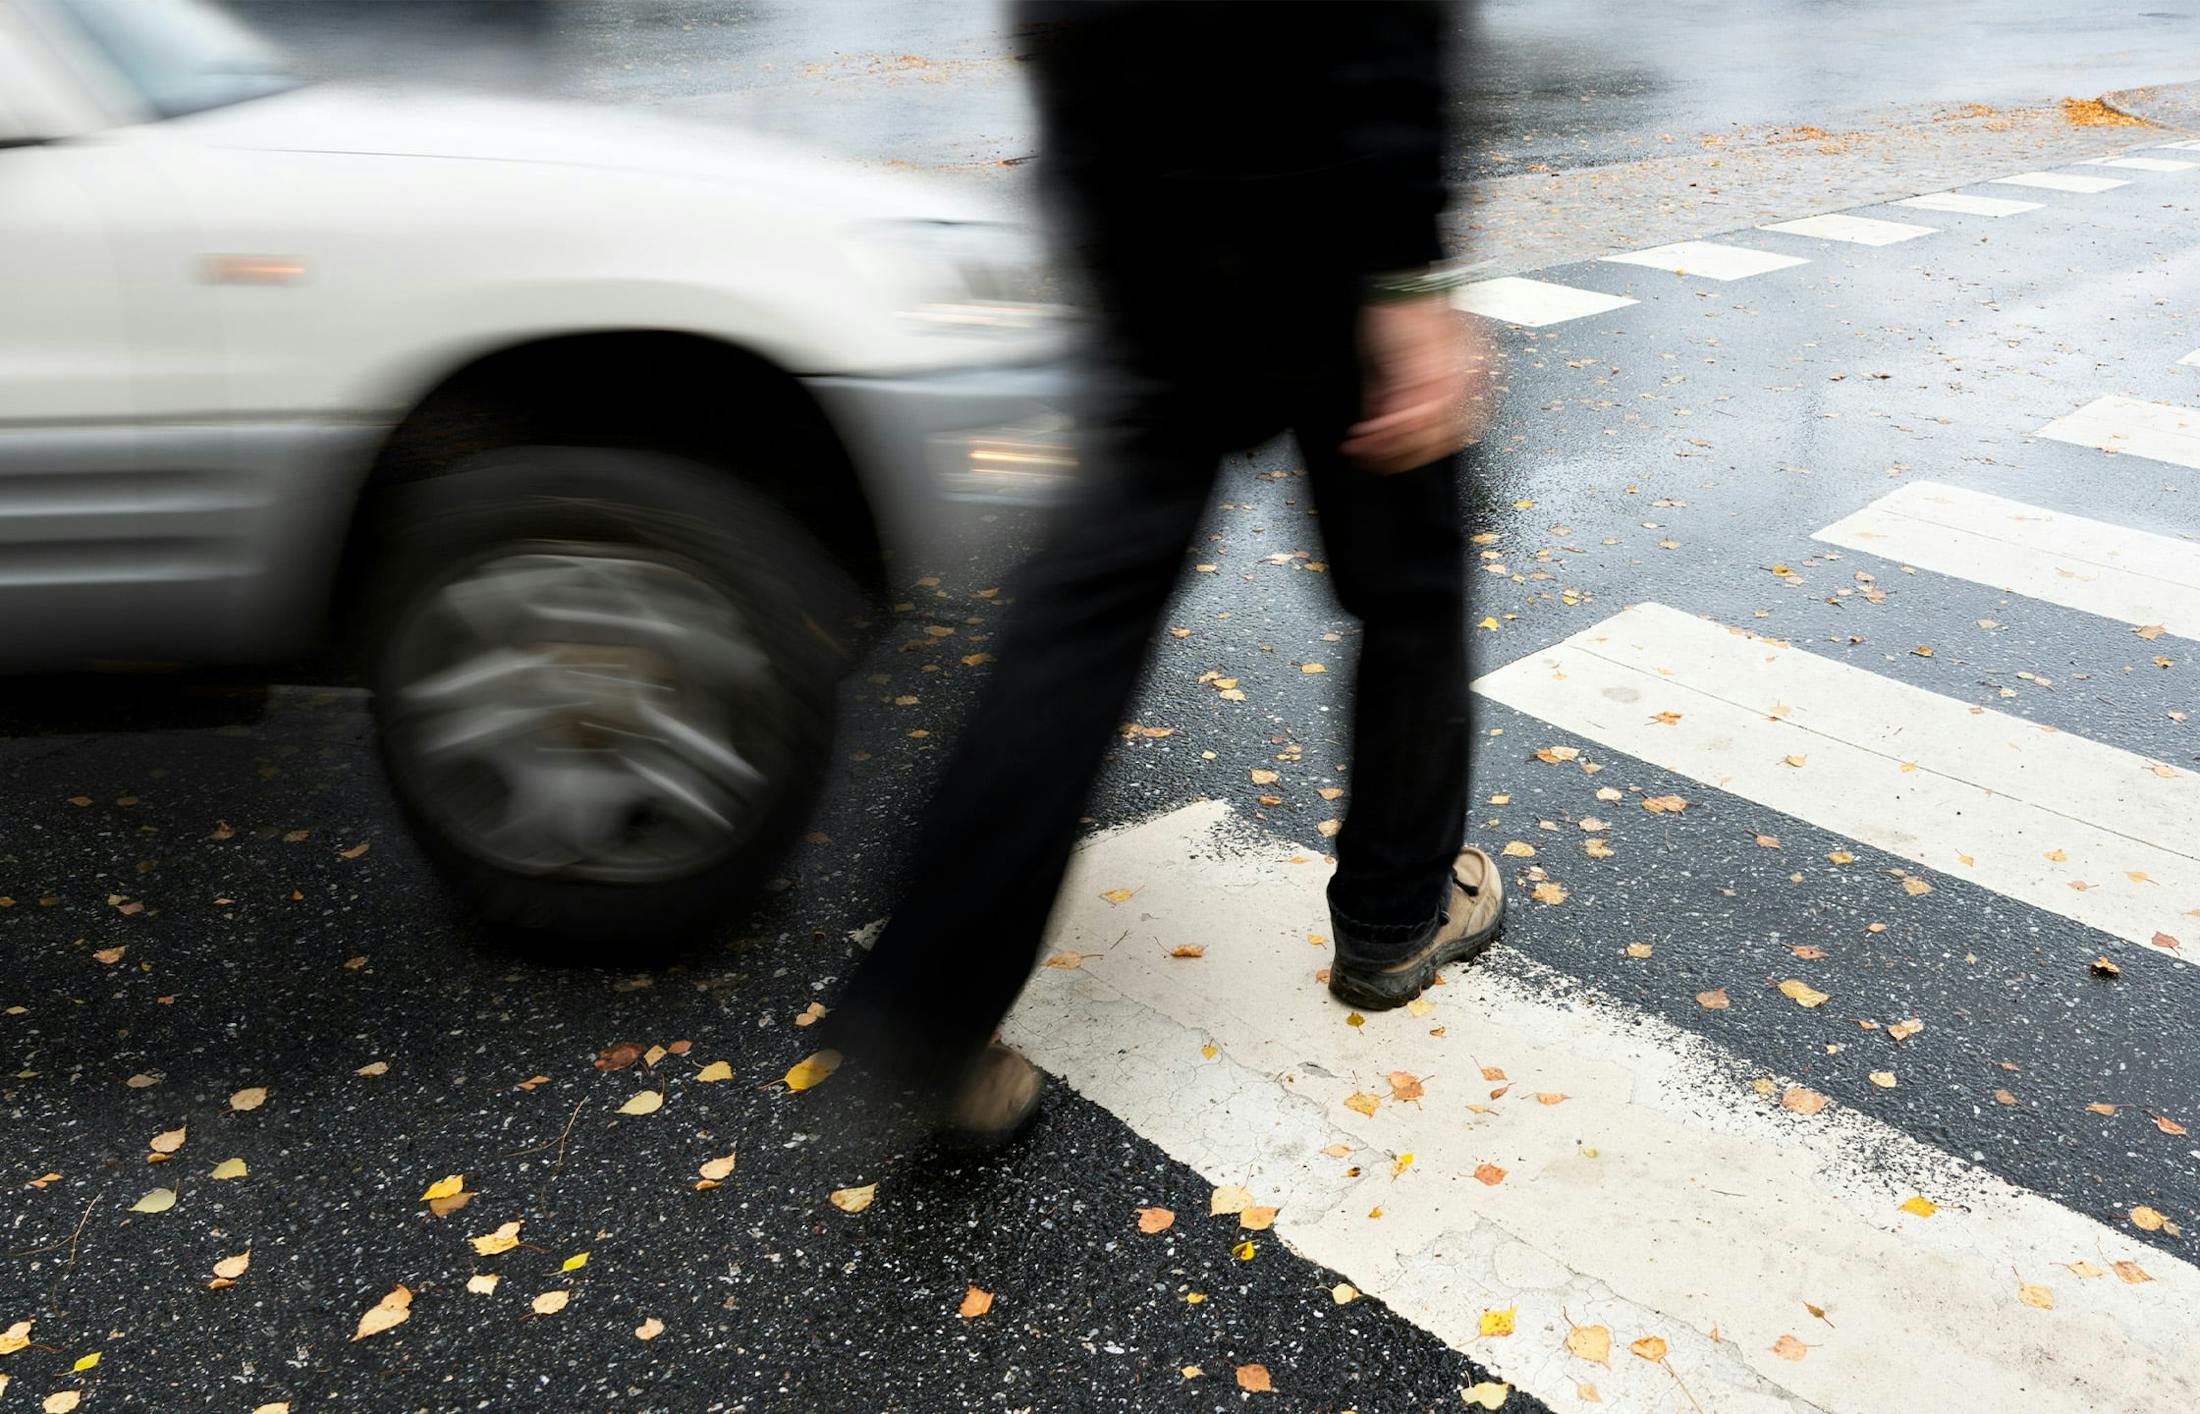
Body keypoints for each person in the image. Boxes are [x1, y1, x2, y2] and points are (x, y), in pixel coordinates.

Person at [824, 0, 1498, 1145]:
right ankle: (1395, 916)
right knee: (1409, 581)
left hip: (1130, 173)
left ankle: (928, 1006)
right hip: (1311, 181)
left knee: (1086, 608)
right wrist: (1403, 275)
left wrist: (1089, 171)